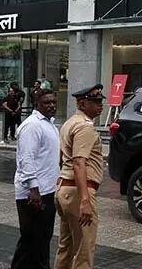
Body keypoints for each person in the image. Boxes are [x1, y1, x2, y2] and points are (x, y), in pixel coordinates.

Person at [55, 84, 106, 269]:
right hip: (78, 192)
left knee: (66, 249)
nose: (100, 105)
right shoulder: (85, 127)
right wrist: (85, 200)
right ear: (83, 104)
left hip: (65, 189)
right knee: (84, 252)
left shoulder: (69, 123)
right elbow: (78, 162)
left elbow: (62, 160)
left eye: (101, 101)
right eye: (96, 102)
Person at [11, 89, 60, 269]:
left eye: (54, 102)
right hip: (34, 195)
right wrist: (34, 190)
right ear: (37, 104)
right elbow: (27, 159)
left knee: (42, 241)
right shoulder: (32, 126)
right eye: (47, 102)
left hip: (47, 190)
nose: (52, 105)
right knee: (31, 243)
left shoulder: (50, 124)